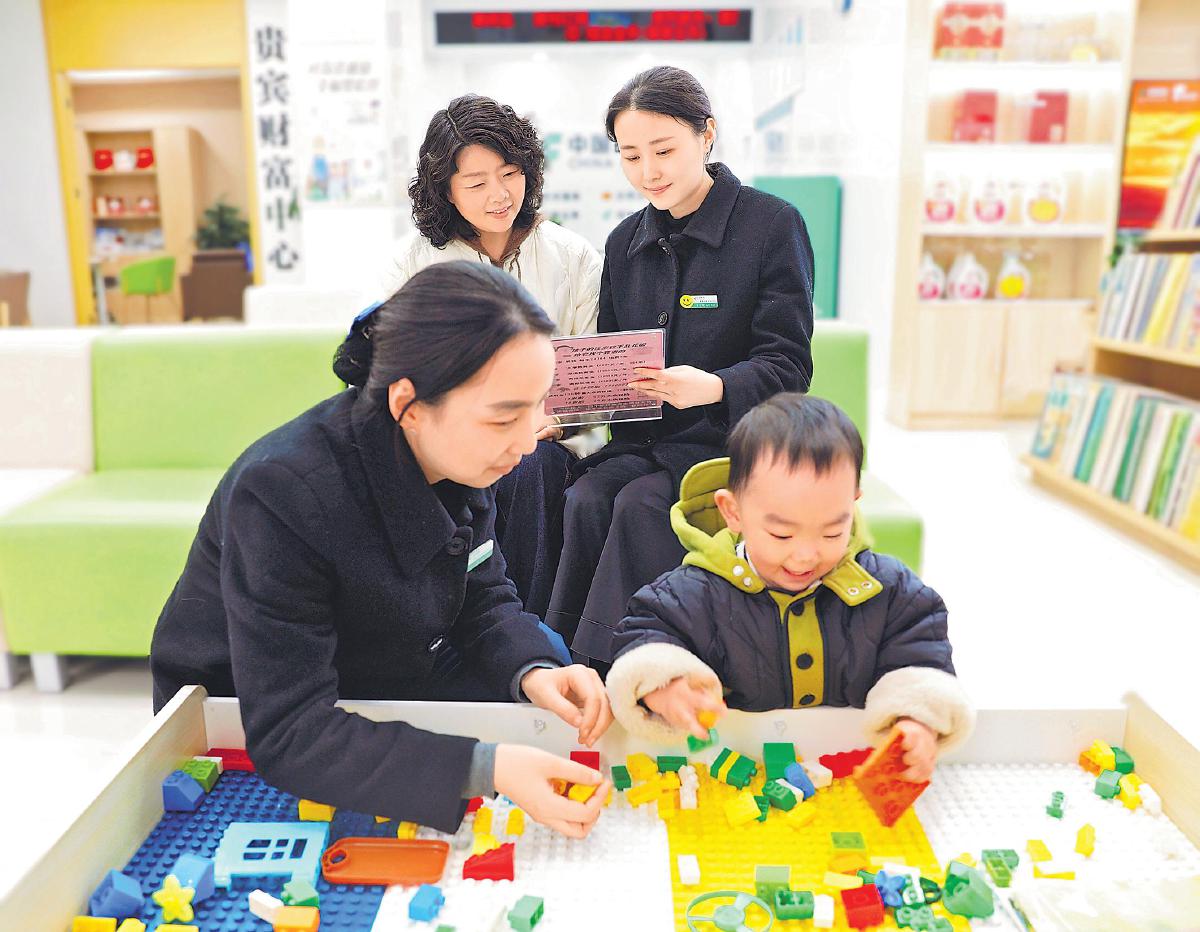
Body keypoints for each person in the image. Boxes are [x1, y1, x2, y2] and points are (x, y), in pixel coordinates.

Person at [150, 261, 613, 836]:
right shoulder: (283, 493)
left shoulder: (459, 459)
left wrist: (533, 669)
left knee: (546, 660)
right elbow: (290, 727)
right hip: (249, 710)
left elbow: (483, 595)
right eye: (503, 419)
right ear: (408, 406)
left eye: (539, 405)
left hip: (387, 666)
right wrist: (484, 769)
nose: (527, 441)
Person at [546, 66, 815, 670]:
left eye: (663, 150)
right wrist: (568, 409)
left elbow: (789, 366)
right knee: (585, 497)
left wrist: (715, 387)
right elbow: (614, 362)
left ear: (706, 134)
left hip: (733, 446)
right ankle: (559, 658)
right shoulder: (623, 243)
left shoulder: (772, 225)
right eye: (631, 156)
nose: (648, 171)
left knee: (639, 507)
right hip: (644, 444)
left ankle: (624, 665)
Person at [606, 394, 974, 782]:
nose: (805, 556)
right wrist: (664, 684)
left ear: (853, 504)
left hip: (844, 776)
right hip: (733, 779)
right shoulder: (692, 593)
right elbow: (644, 637)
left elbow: (920, 656)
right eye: (781, 534)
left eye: (832, 532)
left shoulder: (890, 591)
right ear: (733, 512)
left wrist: (917, 719)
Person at [396, 94, 603, 621]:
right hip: (447, 445)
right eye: (476, 183)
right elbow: (392, 372)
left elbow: (595, 373)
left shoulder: (573, 257)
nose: (499, 194)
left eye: (510, 173)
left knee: (526, 465)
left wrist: (550, 420)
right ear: (445, 188)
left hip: (545, 443)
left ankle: (525, 632)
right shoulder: (414, 265)